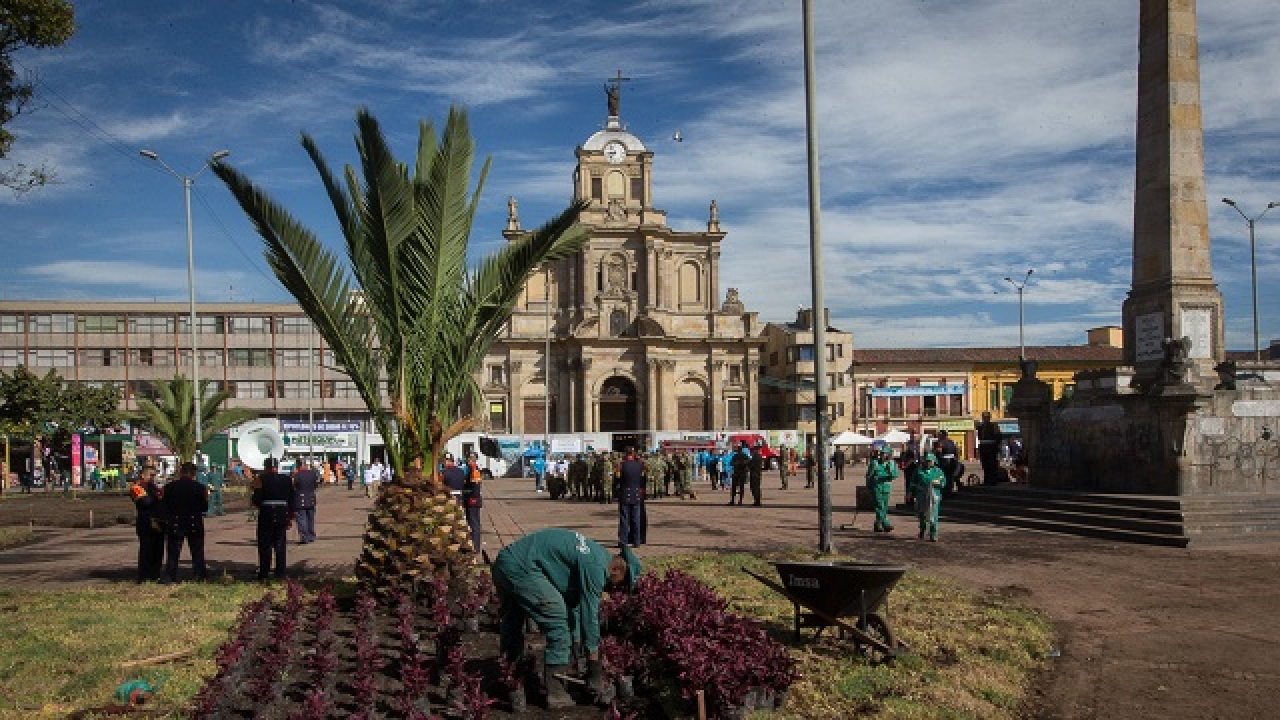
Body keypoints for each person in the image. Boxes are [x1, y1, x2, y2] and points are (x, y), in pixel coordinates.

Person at [491, 528, 641, 709]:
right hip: (523, 568)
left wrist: (578, 648)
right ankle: (556, 692)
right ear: (617, 569)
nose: (618, 590)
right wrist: (593, 662)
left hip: (506, 561)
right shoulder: (597, 568)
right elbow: (589, 614)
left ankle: (510, 678)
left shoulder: (596, 555)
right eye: (623, 584)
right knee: (558, 620)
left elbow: (576, 608)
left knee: (513, 622)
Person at [161, 462, 209, 583]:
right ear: (193, 473)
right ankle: (200, 576)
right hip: (194, 522)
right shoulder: (199, 487)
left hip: (176, 522)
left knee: (173, 553)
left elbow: (164, 506)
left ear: (181, 472)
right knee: (197, 552)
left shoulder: (169, 487)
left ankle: (170, 577)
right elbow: (204, 507)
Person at [253, 457, 296, 581]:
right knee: (280, 544)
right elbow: (292, 499)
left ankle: (264, 572)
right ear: (277, 467)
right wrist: (290, 516)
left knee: (265, 544)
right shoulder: (287, 479)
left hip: (266, 513)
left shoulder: (260, 479)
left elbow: (257, 500)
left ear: (265, 467)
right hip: (282, 513)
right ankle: (280, 572)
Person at [130, 464, 166, 583]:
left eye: (154, 476)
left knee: (158, 550)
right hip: (145, 523)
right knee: (146, 550)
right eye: (151, 475)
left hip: (158, 523)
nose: (153, 478)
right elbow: (145, 501)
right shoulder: (136, 487)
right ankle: (143, 576)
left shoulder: (154, 487)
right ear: (143, 475)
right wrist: (158, 495)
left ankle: (155, 575)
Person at [616, 447, 645, 547]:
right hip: (636, 494)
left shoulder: (621, 465)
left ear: (625, 454)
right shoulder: (640, 465)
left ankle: (623, 541)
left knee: (624, 519)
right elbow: (642, 479)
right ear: (633, 454)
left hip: (625, 494)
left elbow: (617, 479)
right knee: (636, 519)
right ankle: (636, 541)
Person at [913, 453, 945, 541]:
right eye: (927, 461)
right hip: (922, 495)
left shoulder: (938, 471)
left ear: (934, 461)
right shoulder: (919, 471)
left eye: (930, 461)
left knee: (934, 515)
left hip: (934, 496)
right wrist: (910, 493)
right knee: (922, 514)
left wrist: (938, 483)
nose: (928, 463)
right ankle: (922, 529)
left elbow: (943, 482)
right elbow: (913, 482)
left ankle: (933, 534)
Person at [866, 441, 897, 533]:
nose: (883, 456)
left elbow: (895, 475)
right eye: (882, 454)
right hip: (877, 487)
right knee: (880, 506)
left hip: (886, 487)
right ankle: (885, 523)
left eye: (885, 454)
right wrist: (869, 486)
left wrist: (890, 471)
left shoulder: (891, 464)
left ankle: (878, 524)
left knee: (884, 507)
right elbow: (869, 475)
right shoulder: (875, 463)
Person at [461, 453, 484, 554]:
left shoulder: (475, 471)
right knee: (472, 523)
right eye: (468, 459)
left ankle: (475, 547)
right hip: (469, 500)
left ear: (473, 461)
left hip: (472, 500)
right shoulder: (470, 470)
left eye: (470, 460)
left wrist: (471, 498)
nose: (468, 461)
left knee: (474, 524)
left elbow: (476, 488)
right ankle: (473, 545)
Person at [293, 459, 320, 544]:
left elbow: (293, 486)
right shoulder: (313, 474)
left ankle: (304, 537)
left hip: (300, 499)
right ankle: (311, 535)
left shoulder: (296, 475)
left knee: (302, 519)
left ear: (298, 465)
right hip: (311, 498)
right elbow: (315, 485)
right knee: (310, 519)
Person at [976, 411, 1004, 485]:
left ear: (989, 418)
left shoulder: (994, 425)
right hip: (983, 447)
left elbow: (999, 436)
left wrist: (996, 445)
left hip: (991, 447)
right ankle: (987, 479)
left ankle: (992, 480)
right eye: (984, 417)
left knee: (992, 464)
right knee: (985, 464)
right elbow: (980, 438)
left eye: (987, 417)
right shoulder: (980, 427)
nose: (985, 419)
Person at [933, 430, 961, 496]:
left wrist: (937, 461)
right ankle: (950, 490)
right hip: (952, 461)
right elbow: (956, 451)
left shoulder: (940, 443)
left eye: (939, 435)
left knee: (944, 476)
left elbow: (938, 453)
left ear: (942, 435)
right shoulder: (951, 442)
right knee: (950, 477)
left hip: (944, 462)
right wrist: (956, 460)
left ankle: (945, 491)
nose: (938, 436)